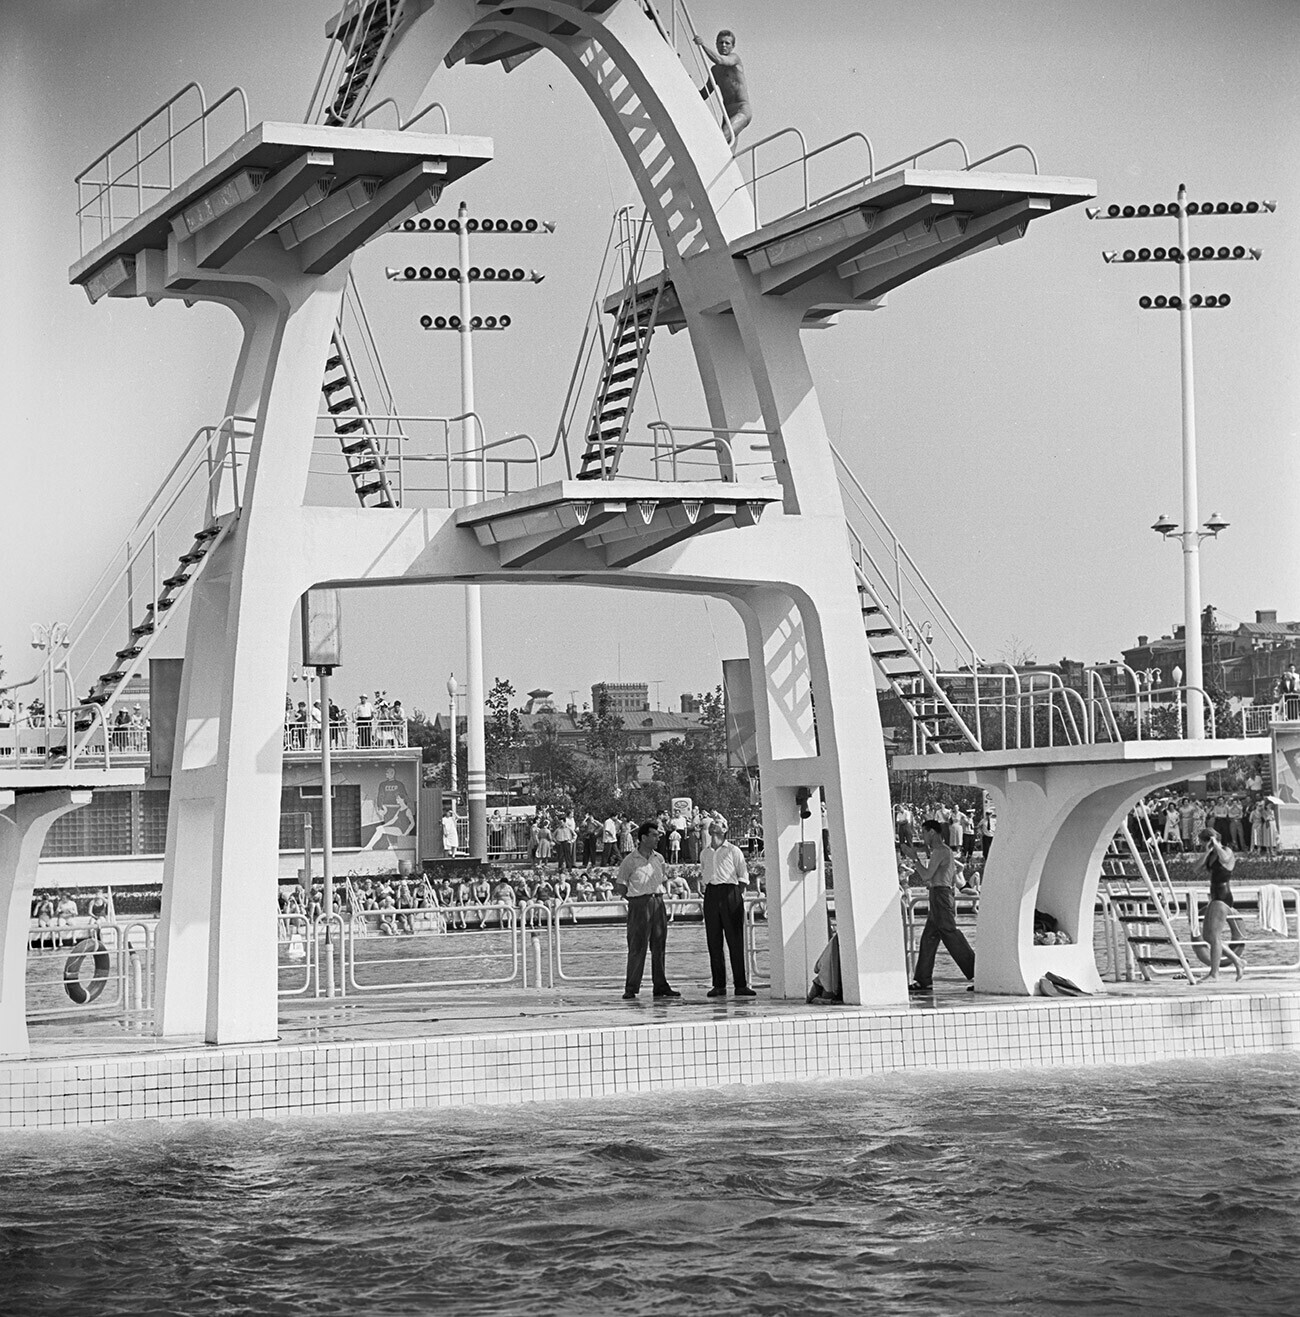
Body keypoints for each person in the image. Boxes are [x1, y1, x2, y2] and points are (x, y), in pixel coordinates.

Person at [907, 820, 976, 993]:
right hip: (939, 895)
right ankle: (923, 980)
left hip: (941, 896)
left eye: (923, 832)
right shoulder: (944, 851)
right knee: (929, 938)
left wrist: (914, 858)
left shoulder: (940, 851)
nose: (922, 836)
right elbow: (939, 877)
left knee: (950, 934)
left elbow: (926, 875)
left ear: (931, 832)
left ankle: (977, 973)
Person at [614, 821, 679, 1000]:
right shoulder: (630, 860)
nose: (658, 838)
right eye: (654, 835)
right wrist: (635, 899)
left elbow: (663, 879)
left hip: (658, 902)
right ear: (643, 838)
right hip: (639, 904)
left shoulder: (659, 858)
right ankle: (631, 987)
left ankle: (660, 985)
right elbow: (620, 885)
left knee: (659, 945)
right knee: (637, 946)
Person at [700, 819, 755, 998]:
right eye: (712, 824)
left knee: (735, 940)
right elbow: (704, 873)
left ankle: (740, 984)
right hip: (711, 893)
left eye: (718, 823)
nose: (713, 826)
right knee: (714, 941)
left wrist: (736, 895)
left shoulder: (733, 850)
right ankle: (719, 984)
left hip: (730, 891)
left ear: (724, 829)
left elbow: (743, 875)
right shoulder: (704, 853)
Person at [693, 28, 752, 145]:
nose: (723, 45)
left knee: (720, 142)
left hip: (741, 111)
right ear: (716, 45)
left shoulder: (734, 59)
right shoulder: (714, 71)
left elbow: (720, 60)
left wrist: (702, 45)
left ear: (732, 47)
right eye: (721, 42)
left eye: (727, 43)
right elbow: (704, 94)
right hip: (727, 115)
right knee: (727, 153)